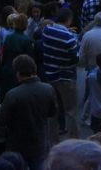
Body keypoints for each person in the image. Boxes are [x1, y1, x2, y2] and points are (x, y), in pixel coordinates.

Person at [0, 54, 58, 170]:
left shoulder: (12, 94)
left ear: (17, 73)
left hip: (17, 143)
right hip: (40, 141)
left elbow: (2, 120)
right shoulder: (48, 89)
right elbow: (52, 112)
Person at [40, 8, 80, 139]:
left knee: (53, 110)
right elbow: (76, 59)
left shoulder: (47, 30)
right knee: (71, 111)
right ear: (69, 20)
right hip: (66, 77)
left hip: (50, 75)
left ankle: (53, 139)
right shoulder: (69, 38)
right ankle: (74, 140)